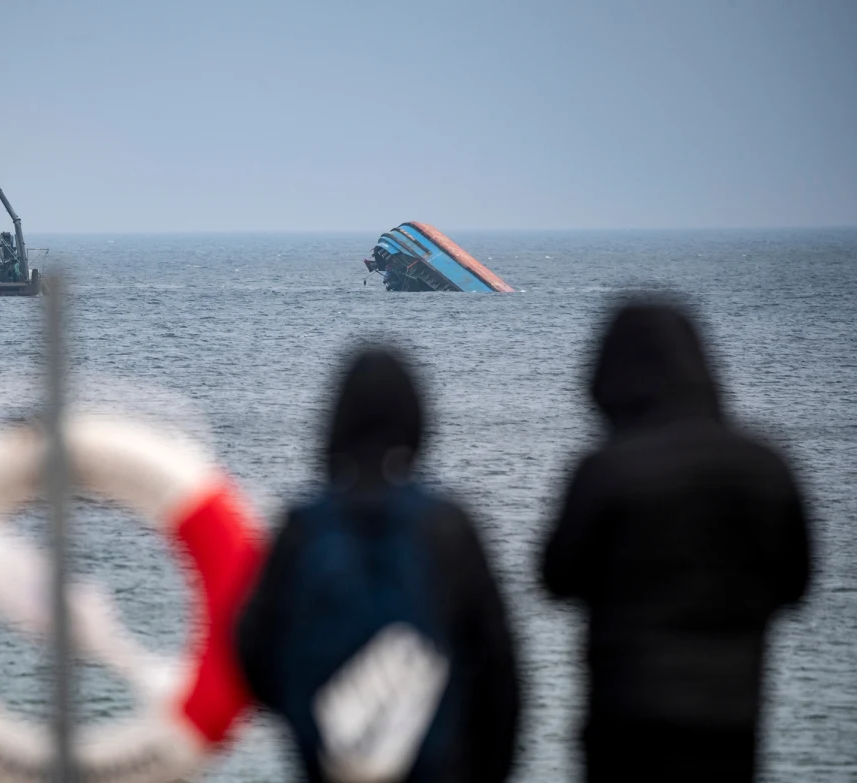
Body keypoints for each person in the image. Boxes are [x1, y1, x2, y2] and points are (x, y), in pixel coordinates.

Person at [541, 301, 811, 783]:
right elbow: (796, 584)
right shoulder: (766, 465)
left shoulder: (607, 469)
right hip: (731, 718)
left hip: (625, 713)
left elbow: (556, 578)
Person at [237, 347, 520, 783]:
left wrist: (308, 724)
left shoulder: (302, 525)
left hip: (329, 761)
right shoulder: (448, 525)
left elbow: (253, 654)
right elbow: (500, 674)